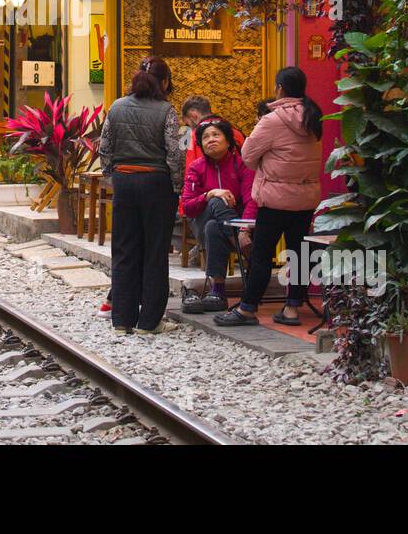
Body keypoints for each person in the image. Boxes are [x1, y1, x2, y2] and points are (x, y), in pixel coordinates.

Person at [216, 66, 324, 327]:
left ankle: (248, 307)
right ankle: (292, 309)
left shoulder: (272, 119)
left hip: (275, 198)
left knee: (262, 254)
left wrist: (267, 163)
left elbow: (248, 155)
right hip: (306, 197)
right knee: (298, 253)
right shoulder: (313, 116)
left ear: (280, 88)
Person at [99, 56, 185, 335]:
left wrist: (112, 176)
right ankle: (149, 322)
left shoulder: (116, 106)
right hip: (156, 184)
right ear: (165, 82)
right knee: (155, 252)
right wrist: (177, 186)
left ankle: (121, 320)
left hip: (124, 180)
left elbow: (104, 147)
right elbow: (174, 153)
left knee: (124, 250)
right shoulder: (167, 111)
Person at [179, 118, 255, 313]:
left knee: (214, 226)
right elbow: (187, 206)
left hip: (238, 225)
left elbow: (251, 200)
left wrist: (245, 228)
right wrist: (210, 194)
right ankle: (243, 247)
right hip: (205, 223)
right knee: (214, 202)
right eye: (205, 137)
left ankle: (218, 292)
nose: (210, 140)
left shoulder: (241, 165)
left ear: (228, 141)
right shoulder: (196, 167)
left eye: (216, 135)